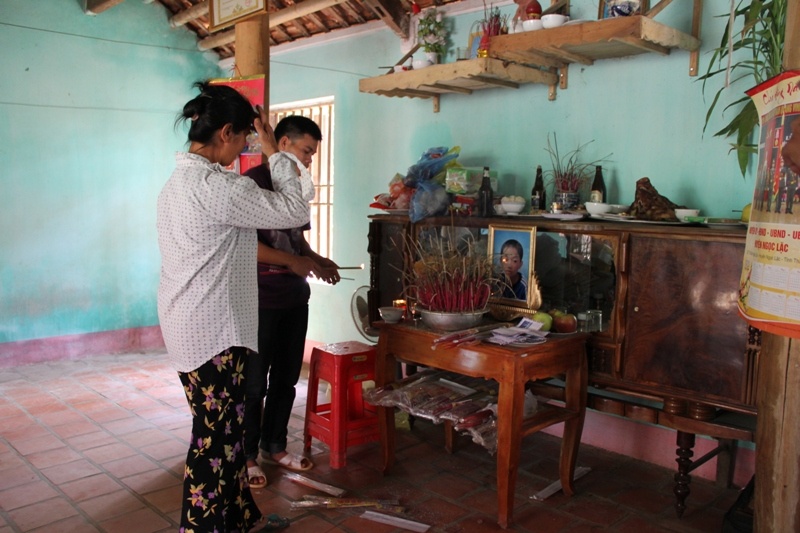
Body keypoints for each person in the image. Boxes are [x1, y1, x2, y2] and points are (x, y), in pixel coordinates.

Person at [156, 80, 313, 533]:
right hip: (212, 333)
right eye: (245, 135)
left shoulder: (179, 182)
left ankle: (241, 519)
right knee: (213, 443)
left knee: (225, 435)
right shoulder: (216, 187)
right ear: (226, 132)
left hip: (191, 323)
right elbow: (294, 209)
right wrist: (273, 148)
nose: (246, 145)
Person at [242, 116, 340, 487]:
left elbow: (296, 239)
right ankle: (247, 455)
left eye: (313, 154)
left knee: (285, 380)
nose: (310, 160)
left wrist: (316, 259)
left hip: (294, 298)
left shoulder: (295, 184)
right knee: (254, 383)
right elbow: (246, 245)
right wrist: (291, 262)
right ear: (282, 144)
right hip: (260, 299)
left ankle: (275, 446)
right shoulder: (252, 184)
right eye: (306, 151)